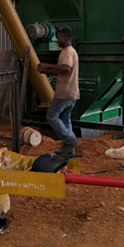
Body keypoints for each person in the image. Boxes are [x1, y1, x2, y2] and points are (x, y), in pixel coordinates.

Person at [37, 27, 80, 155]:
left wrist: (47, 65)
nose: (57, 40)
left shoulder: (67, 52)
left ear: (66, 39)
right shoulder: (72, 51)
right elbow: (63, 72)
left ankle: (70, 140)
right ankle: (70, 150)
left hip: (65, 93)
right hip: (72, 93)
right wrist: (46, 71)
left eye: (59, 38)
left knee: (52, 116)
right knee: (66, 119)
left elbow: (66, 68)